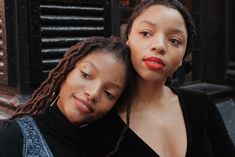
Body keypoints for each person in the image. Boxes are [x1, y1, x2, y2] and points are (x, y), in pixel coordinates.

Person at [80, 0, 235, 157]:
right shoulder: (100, 119)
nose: (160, 46)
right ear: (128, 40)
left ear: (183, 57)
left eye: (174, 40)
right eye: (146, 33)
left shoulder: (201, 106)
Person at [0, 37, 136, 157]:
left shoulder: (103, 150)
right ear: (65, 71)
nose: (93, 93)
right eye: (86, 74)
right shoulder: (13, 136)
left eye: (109, 93)